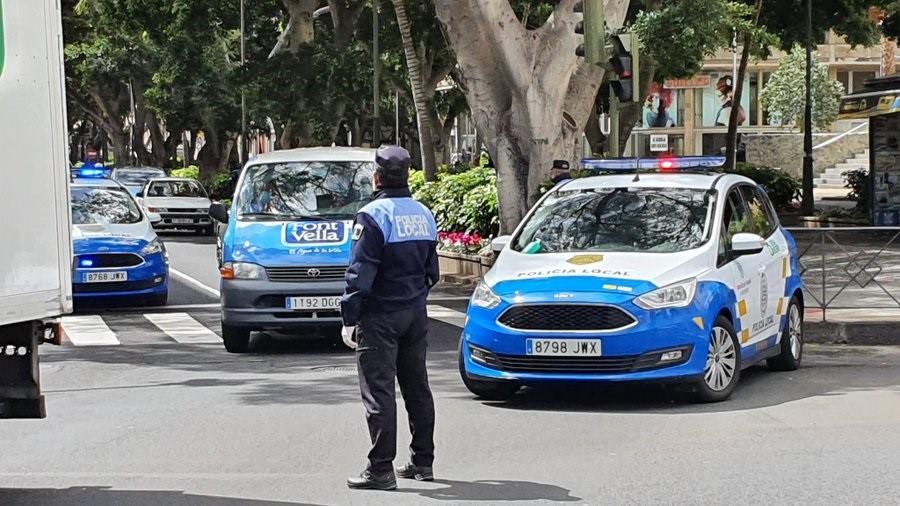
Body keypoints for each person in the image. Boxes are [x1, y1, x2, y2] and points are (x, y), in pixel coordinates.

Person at [341, 145, 440, 491]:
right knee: (417, 387)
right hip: (414, 312)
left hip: (380, 315)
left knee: (379, 392)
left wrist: (349, 316)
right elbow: (433, 272)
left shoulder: (372, 215)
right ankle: (422, 461)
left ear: (377, 177)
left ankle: (380, 469)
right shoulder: (424, 214)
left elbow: (360, 273)